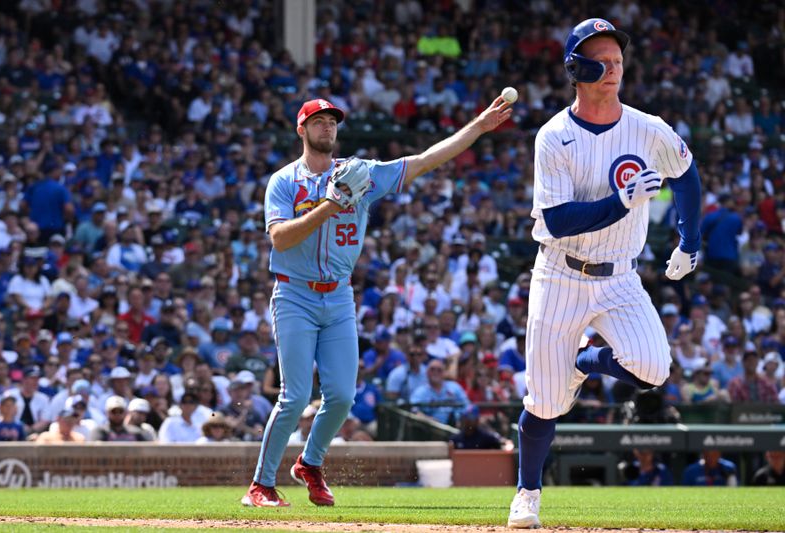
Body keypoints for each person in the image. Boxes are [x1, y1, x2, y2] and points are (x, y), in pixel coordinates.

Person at [243, 95, 512, 508]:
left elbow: (423, 160)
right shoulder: (284, 181)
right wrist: (331, 205)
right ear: (301, 129)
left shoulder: (359, 174)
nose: (327, 127)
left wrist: (477, 126)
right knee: (295, 396)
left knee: (342, 396)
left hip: (339, 295)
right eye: (318, 121)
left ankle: (309, 464)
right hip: (294, 292)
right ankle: (261, 485)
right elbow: (280, 238)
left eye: (332, 121)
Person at [508, 19, 702, 529]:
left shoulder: (647, 126)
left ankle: (585, 364)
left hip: (619, 276)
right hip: (560, 275)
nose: (612, 69)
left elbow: (686, 172)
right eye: (600, 60)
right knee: (545, 403)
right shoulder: (554, 136)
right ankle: (528, 492)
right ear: (576, 68)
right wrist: (620, 202)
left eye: (617, 59)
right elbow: (555, 220)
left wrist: (690, 238)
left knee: (654, 368)